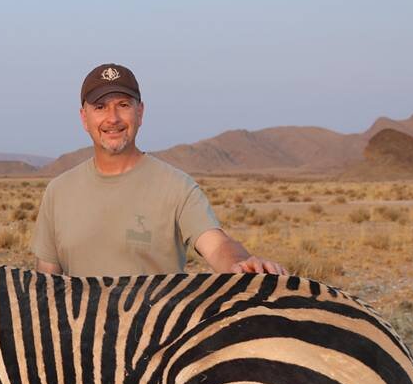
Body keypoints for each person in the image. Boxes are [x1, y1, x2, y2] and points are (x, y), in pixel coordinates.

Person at [32, 63, 286, 278]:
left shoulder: (177, 186)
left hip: (156, 334)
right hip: (80, 335)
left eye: (123, 105)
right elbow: (45, 280)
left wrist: (242, 263)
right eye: (100, 107)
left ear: (140, 113)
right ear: (84, 118)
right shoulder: (59, 191)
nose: (113, 118)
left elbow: (217, 245)